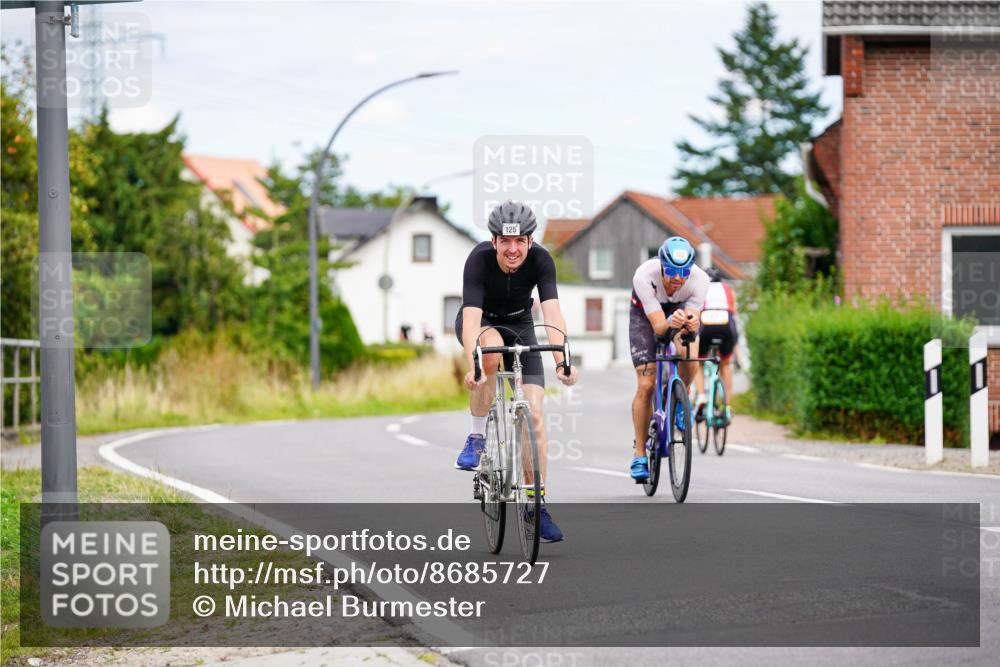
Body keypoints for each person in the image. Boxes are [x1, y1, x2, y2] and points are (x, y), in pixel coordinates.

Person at [454, 200, 578, 542]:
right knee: (490, 354)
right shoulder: (478, 261)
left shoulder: (541, 260)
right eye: (505, 242)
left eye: (520, 241)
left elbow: (552, 315)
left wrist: (562, 361)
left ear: (530, 240)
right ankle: (477, 436)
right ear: (494, 241)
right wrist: (475, 366)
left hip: (522, 326)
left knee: (535, 414)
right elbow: (471, 322)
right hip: (482, 323)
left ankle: (535, 506)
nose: (512, 249)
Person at [628, 237, 709, 481]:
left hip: (680, 311)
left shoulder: (700, 279)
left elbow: (691, 324)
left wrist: (692, 323)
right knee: (646, 384)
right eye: (672, 271)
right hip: (646, 316)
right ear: (662, 265)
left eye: (683, 272)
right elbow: (660, 329)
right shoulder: (644, 275)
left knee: (690, 354)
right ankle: (640, 453)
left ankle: (679, 400)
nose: (677, 278)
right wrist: (668, 322)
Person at [693, 268, 738, 424]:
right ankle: (727, 406)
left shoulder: (700, 288)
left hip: (705, 326)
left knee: (698, 362)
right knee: (725, 364)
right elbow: (735, 312)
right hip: (726, 326)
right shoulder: (728, 289)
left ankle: (701, 396)